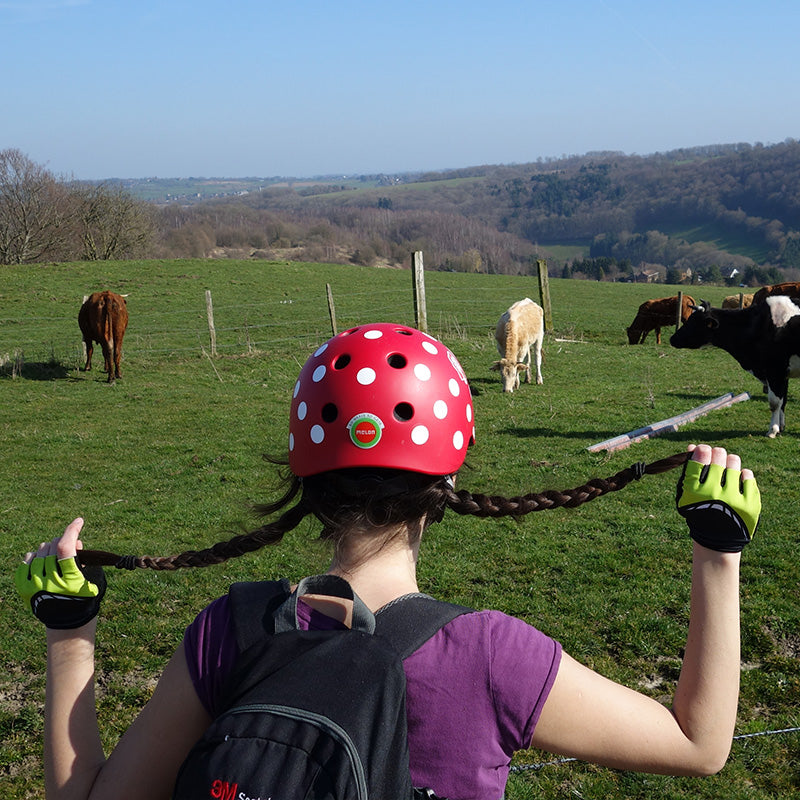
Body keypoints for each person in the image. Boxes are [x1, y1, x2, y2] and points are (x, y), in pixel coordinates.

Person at [16, 322, 760, 800]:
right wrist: (717, 552)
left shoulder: (231, 630)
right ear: (447, 481)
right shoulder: (491, 656)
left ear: (305, 479)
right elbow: (700, 746)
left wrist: (69, 637)